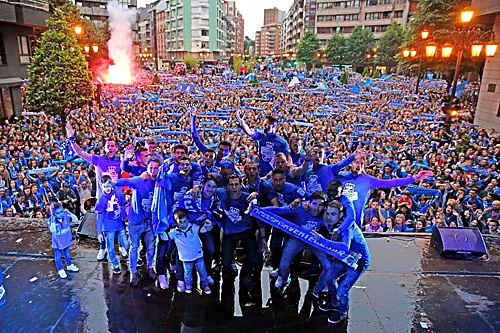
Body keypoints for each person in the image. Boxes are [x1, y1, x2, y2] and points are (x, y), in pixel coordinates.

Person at [66, 122, 122, 261]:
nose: (111, 148)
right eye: (108, 145)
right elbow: (79, 152)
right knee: (101, 225)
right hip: (102, 199)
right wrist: (72, 138)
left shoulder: (121, 161)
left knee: (118, 222)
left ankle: (121, 246)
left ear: (116, 148)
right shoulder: (98, 160)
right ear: (104, 147)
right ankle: (102, 248)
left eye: (113, 146)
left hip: (116, 199)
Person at [259, 191, 333, 295]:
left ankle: (320, 287)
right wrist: (258, 210)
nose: (317, 208)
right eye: (314, 204)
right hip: (297, 239)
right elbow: (279, 210)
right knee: (283, 265)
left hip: (314, 241)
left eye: (320, 205)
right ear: (309, 203)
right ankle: (284, 278)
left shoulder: (326, 214)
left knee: (328, 265)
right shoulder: (299, 208)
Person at [115, 158, 160, 286]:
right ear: (147, 168)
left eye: (156, 168)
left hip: (150, 221)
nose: (153, 170)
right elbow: (125, 180)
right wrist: (110, 183)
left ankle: (150, 267)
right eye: (151, 167)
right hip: (136, 221)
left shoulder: (159, 181)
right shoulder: (140, 179)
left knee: (151, 247)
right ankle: (133, 272)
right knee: (134, 247)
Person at [168, 208, 214, 294]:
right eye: (180, 222)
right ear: (176, 222)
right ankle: (188, 286)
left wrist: (208, 225)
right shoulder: (173, 232)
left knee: (202, 272)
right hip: (185, 258)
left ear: (188, 220)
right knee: (187, 274)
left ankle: (205, 286)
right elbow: (167, 238)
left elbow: (204, 230)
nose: (183, 224)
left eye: (185, 221)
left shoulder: (194, 227)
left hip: (198, 256)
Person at [95, 175, 129, 274]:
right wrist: (99, 232)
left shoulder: (119, 194)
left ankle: (127, 252)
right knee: (110, 247)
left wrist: (123, 214)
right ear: (101, 186)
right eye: (105, 186)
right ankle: (115, 264)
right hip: (108, 227)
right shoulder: (101, 200)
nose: (107, 188)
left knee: (126, 243)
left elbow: (124, 205)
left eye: (109, 185)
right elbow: (99, 217)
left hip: (119, 225)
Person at [48, 203, 80, 279]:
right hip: (57, 242)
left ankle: (69, 265)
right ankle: (60, 270)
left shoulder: (66, 216)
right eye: (58, 213)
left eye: (61, 211)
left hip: (66, 240)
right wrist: (52, 220)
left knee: (67, 254)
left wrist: (69, 212)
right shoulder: (51, 220)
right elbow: (52, 230)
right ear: (54, 214)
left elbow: (76, 219)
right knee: (58, 256)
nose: (61, 214)